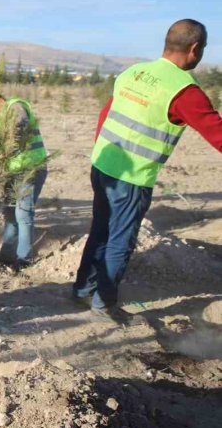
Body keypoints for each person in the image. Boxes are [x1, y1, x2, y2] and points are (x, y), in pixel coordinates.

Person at [72, 19, 222, 324]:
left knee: (100, 230)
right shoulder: (184, 90)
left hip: (102, 165)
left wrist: (103, 155)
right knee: (120, 240)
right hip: (132, 178)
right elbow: (217, 133)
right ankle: (103, 305)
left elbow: (107, 114)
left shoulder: (134, 72)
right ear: (195, 49)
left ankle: (81, 289)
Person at [0, 94, 48, 270]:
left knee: (23, 214)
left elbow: (20, 122)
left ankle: (24, 259)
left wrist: (12, 143)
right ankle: (6, 255)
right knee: (10, 212)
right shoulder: (2, 116)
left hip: (31, 168)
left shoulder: (15, 106)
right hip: (15, 171)